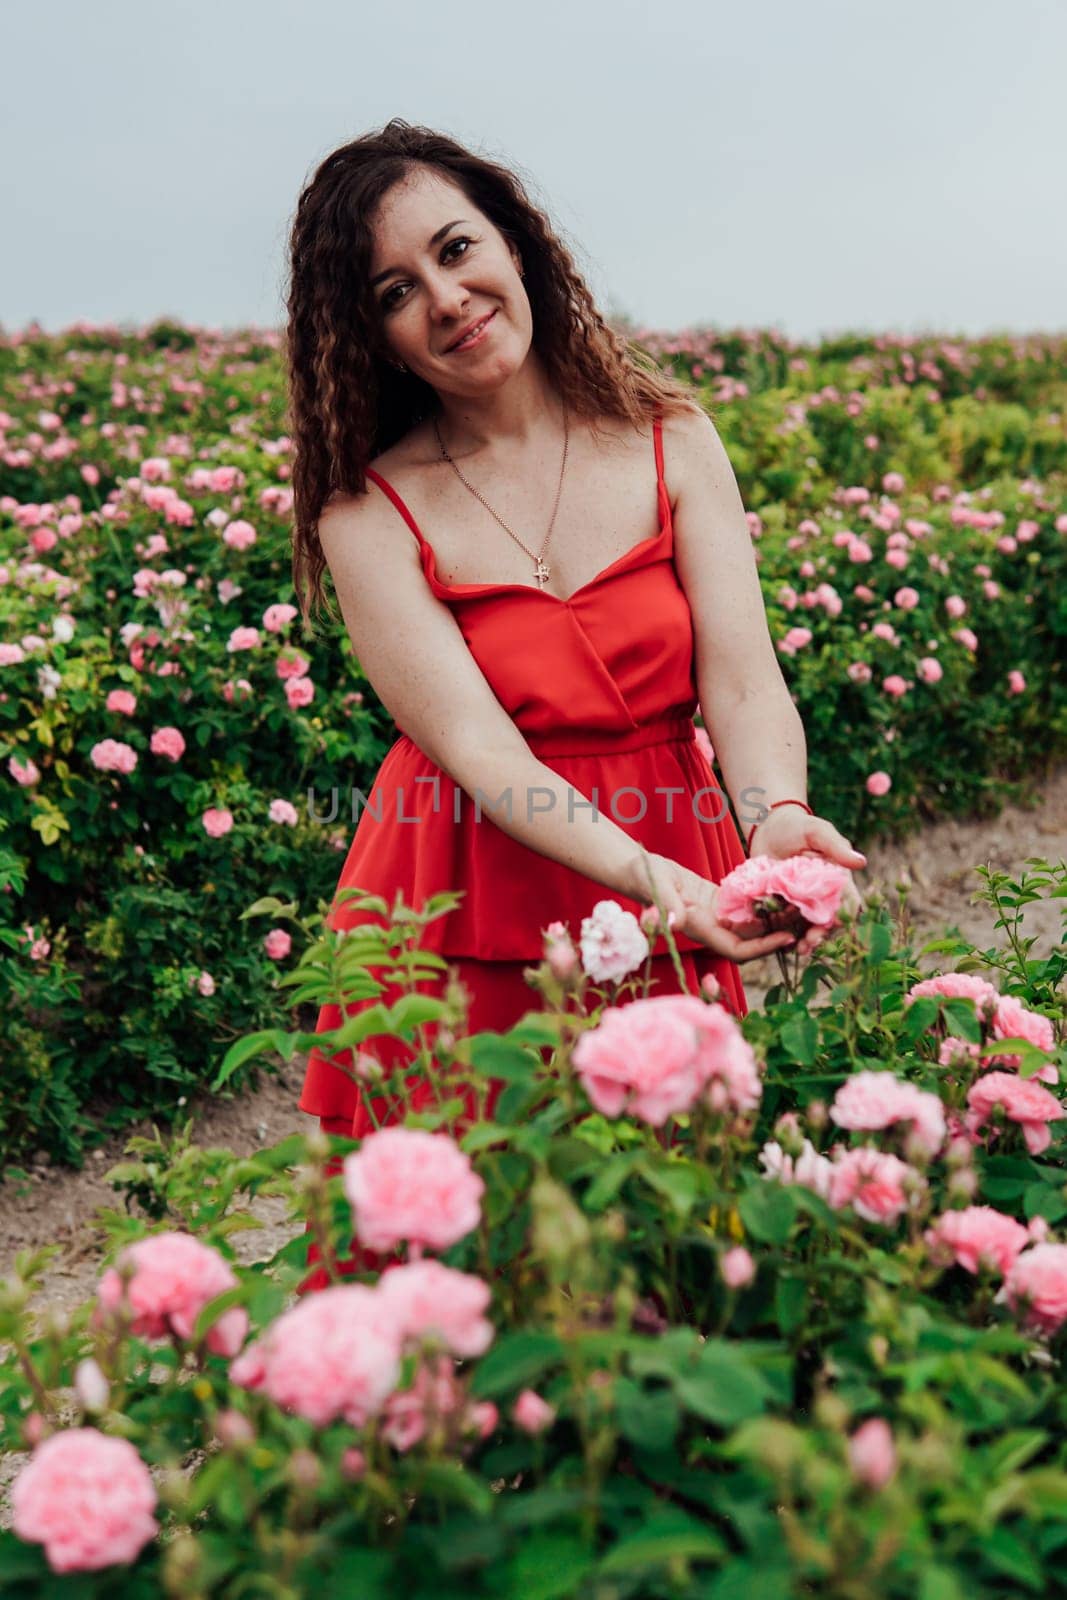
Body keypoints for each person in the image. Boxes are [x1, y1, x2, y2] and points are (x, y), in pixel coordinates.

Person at [283, 121, 865, 1286]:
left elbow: (742, 681)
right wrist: (672, 893)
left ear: (516, 240)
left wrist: (770, 818)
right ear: (373, 337)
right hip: (462, 890)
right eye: (398, 290)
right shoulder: (365, 513)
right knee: (458, 1247)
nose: (447, 298)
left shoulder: (670, 440)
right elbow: (481, 754)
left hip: (672, 847)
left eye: (457, 248)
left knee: (663, 1230)